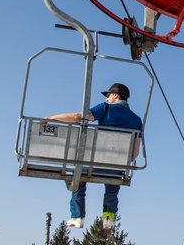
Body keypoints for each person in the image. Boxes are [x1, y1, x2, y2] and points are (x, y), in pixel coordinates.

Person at [45, 83, 143, 230]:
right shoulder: (137, 120)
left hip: (95, 163)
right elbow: (135, 152)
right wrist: (125, 162)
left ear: (116, 96)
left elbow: (78, 116)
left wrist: (52, 117)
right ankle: (108, 220)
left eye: (108, 95)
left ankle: (77, 217)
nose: (107, 98)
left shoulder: (106, 108)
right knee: (113, 185)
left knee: (77, 178)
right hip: (117, 166)